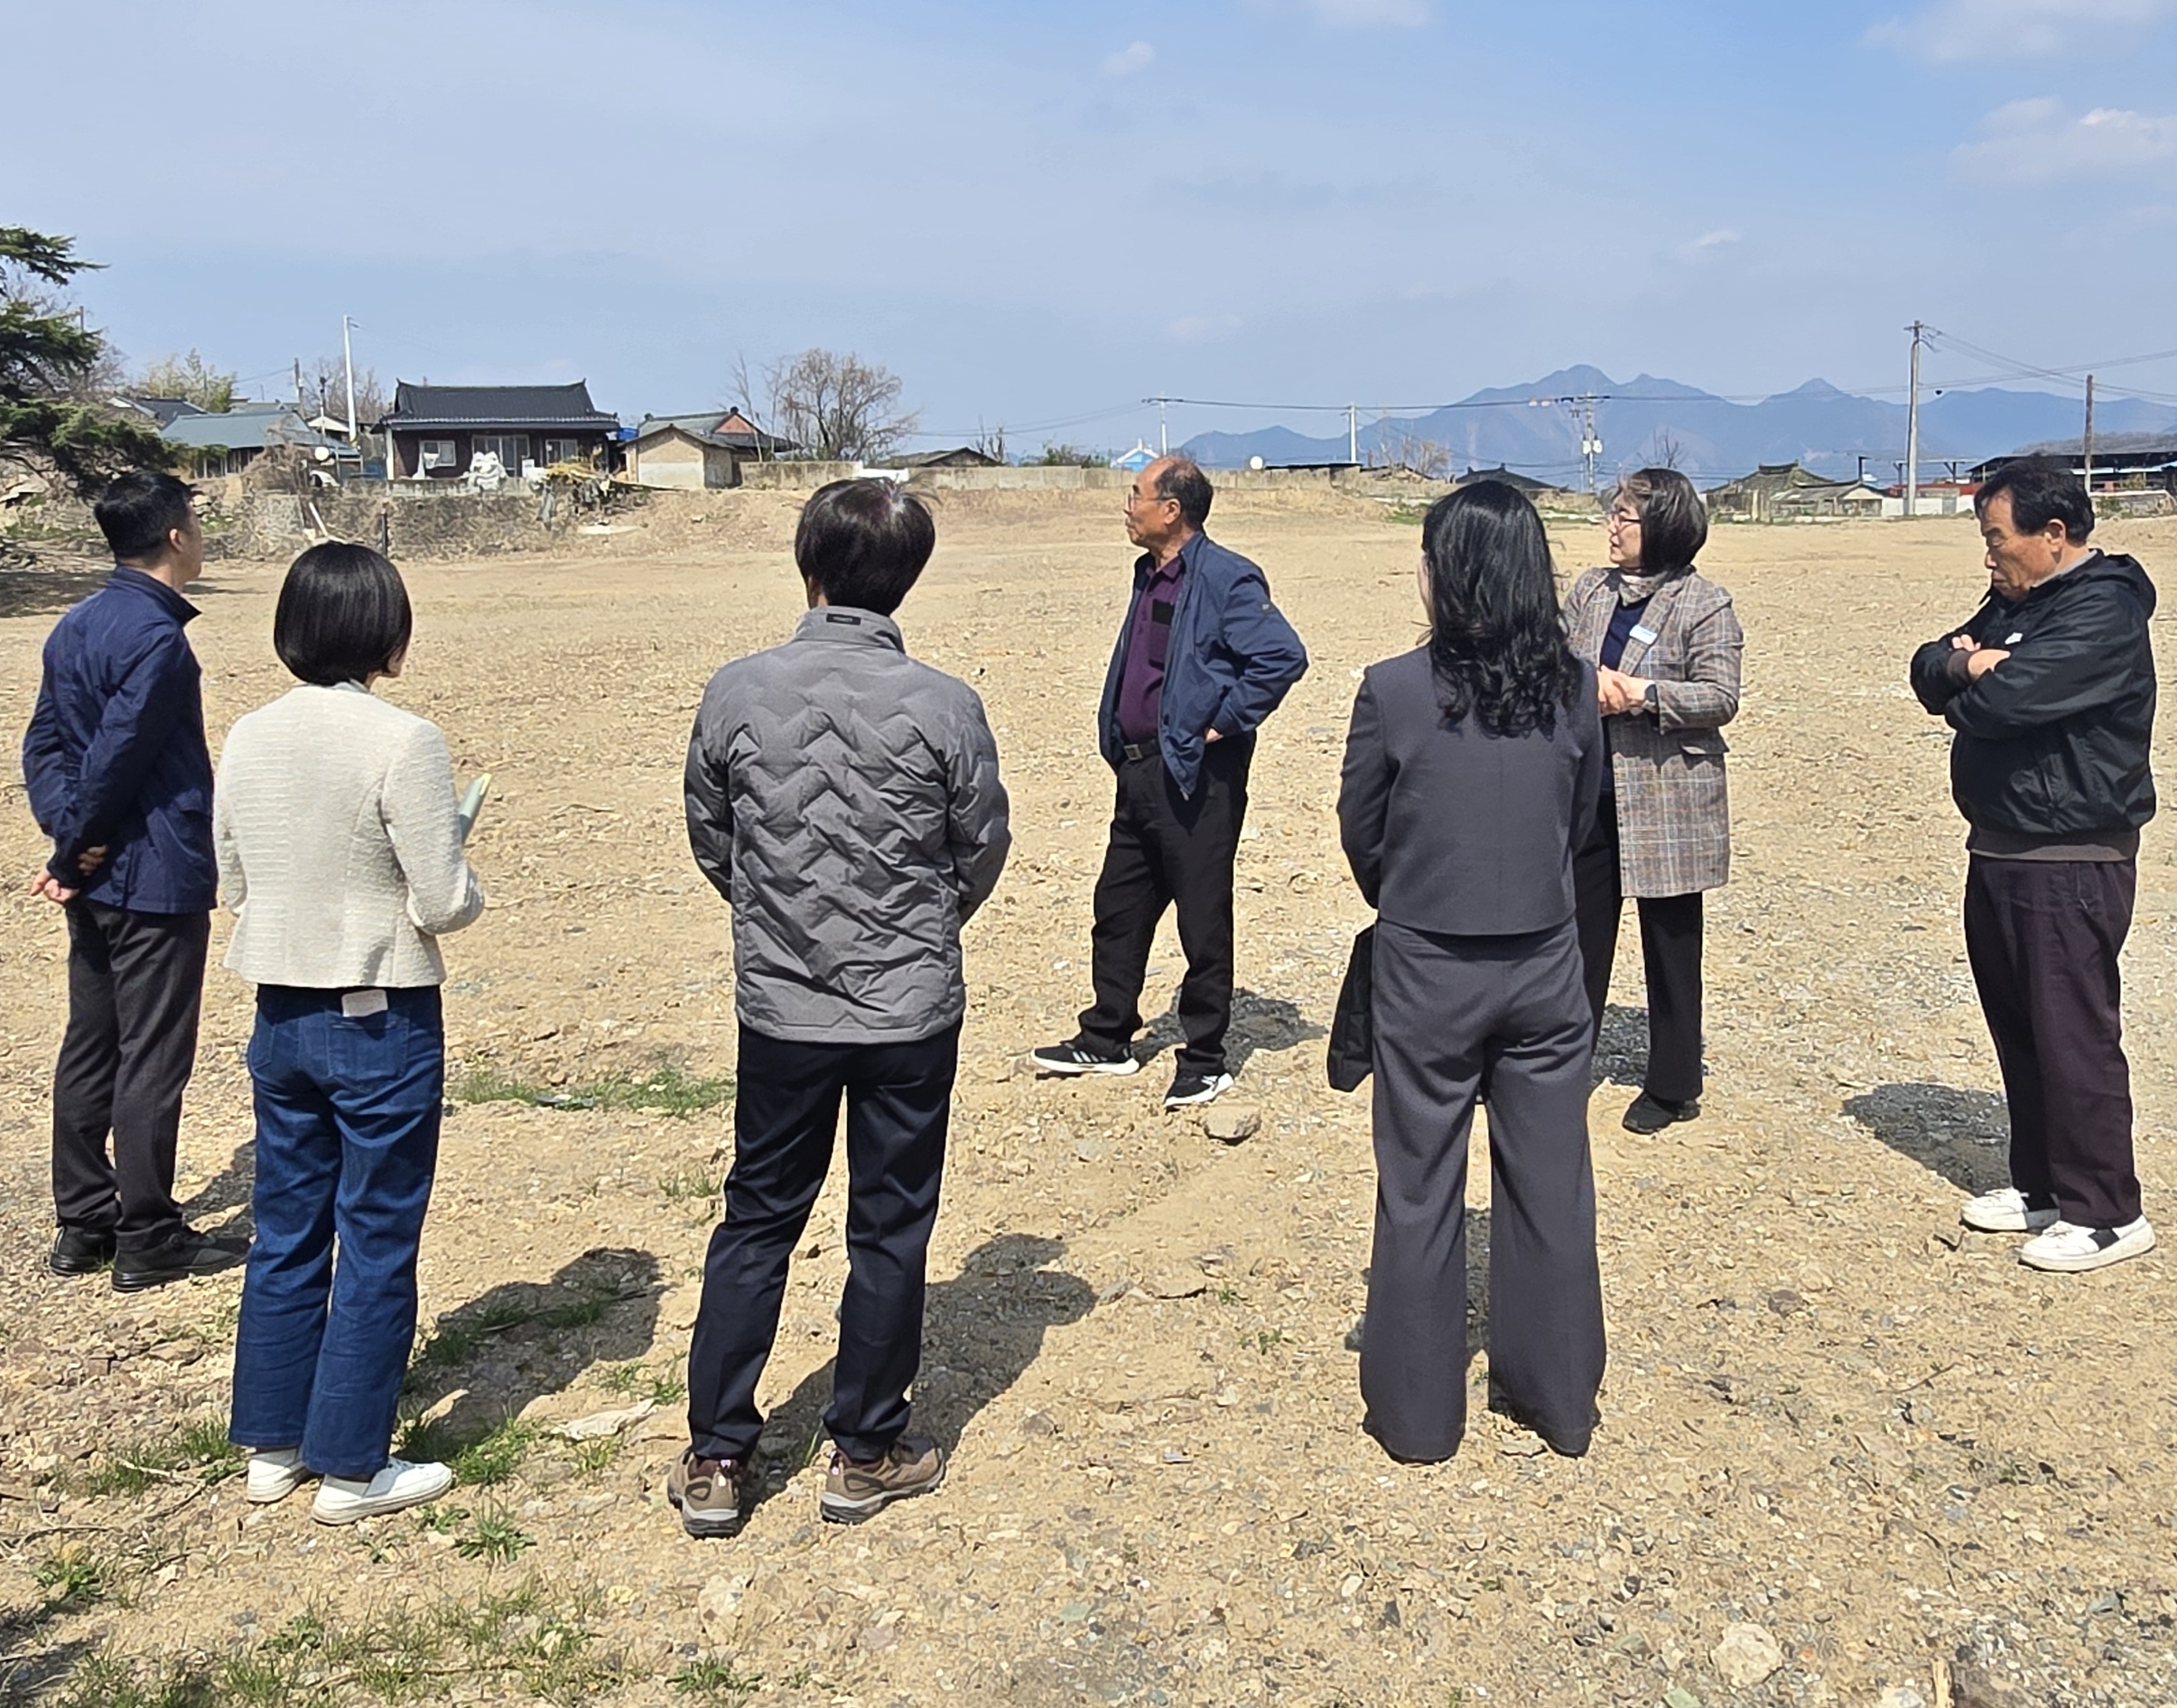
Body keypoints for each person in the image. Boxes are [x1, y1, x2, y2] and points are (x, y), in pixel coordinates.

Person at [670, 480, 1010, 1537]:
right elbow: (981, 846)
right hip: (909, 1005)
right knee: (890, 1225)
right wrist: (912, 923)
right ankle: (864, 1450)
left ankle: (718, 1454)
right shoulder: (945, 704)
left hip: (781, 1007)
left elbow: (711, 836)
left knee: (758, 1216)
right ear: (905, 577)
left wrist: (782, 918)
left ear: (806, 566)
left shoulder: (736, 690)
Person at [1337, 477, 1606, 1462]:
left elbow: (1361, 832)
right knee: (1550, 1183)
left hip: (1425, 962)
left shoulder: (1393, 688)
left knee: (1418, 1185)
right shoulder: (1574, 685)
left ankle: (1417, 1417)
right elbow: (1581, 822)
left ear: (1445, 575)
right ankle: (1558, 1398)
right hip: (1543, 958)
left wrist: (1412, 893)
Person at [215, 543, 483, 1524]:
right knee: (376, 1233)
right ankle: (352, 1464)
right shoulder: (403, 739)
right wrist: (461, 853)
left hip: (278, 1008)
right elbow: (444, 901)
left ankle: (272, 1444)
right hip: (377, 1010)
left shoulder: (248, 733)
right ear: (386, 634)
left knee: (284, 1228)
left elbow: (232, 879)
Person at [1909, 459, 2159, 1275]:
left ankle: (2107, 1210)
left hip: (2070, 851)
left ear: (2054, 535)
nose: (1990, 558)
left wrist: (1974, 674)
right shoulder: (2018, 602)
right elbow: (1927, 669)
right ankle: (2043, 1185)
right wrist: (1963, 665)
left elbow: (2003, 705)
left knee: (2073, 1032)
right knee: (2020, 1027)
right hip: (2002, 844)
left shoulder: (2103, 610)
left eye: (1997, 538)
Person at [1031, 454, 1308, 1105]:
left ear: (1172, 510)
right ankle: (1106, 1037)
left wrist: (1224, 720)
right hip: (1138, 771)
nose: (1127, 506)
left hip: (1195, 778)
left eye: (1137, 495)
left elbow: (1282, 656)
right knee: (1119, 906)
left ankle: (1205, 1054)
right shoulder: (1150, 575)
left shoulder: (1224, 577)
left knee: (1201, 916)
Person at [21, 468, 234, 1291]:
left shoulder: (75, 625)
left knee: (91, 1042)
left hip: (97, 870)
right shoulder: (158, 641)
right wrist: (77, 847)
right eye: (196, 520)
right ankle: (147, 1234)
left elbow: (44, 747)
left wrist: (69, 842)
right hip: (149, 869)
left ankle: (83, 1222)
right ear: (177, 537)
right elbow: (119, 757)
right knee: (151, 1052)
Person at [1562, 468, 1744, 1135]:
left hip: (1667, 796)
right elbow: (1556, 660)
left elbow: (1721, 696)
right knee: (1577, 942)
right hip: (1590, 792)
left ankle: (1672, 1084)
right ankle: (1560, 1068)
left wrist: (1642, 694)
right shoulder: (1588, 590)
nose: (1612, 526)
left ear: (1662, 524)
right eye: (1612, 513)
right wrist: (1585, 683)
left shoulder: (1704, 602)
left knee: (1671, 947)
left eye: (1625, 516)